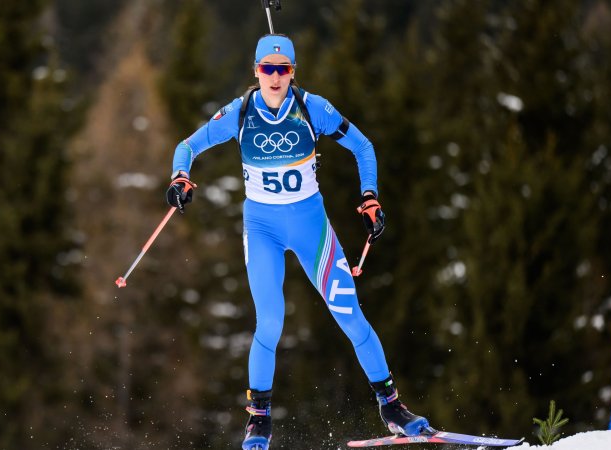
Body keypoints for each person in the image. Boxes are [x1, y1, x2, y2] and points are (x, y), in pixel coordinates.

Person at [166, 34, 431, 450]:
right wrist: (180, 176)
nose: (275, 77)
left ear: (293, 72)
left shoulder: (314, 108)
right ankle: (258, 420)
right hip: (263, 229)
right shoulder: (240, 113)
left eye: (283, 69)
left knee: (350, 315)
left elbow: (363, 146)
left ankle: (392, 407)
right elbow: (188, 145)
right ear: (255, 71)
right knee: (269, 322)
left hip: (311, 226)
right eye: (267, 69)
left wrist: (370, 196)